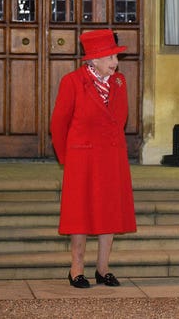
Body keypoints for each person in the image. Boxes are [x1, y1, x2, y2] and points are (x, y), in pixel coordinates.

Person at [51, 29, 137, 288]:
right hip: (82, 158)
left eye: (115, 57)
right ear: (94, 59)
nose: (115, 62)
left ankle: (103, 268)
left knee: (109, 212)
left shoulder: (119, 82)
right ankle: (76, 268)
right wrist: (68, 159)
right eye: (110, 57)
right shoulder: (72, 81)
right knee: (81, 213)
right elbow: (58, 124)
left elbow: (121, 118)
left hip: (111, 157)